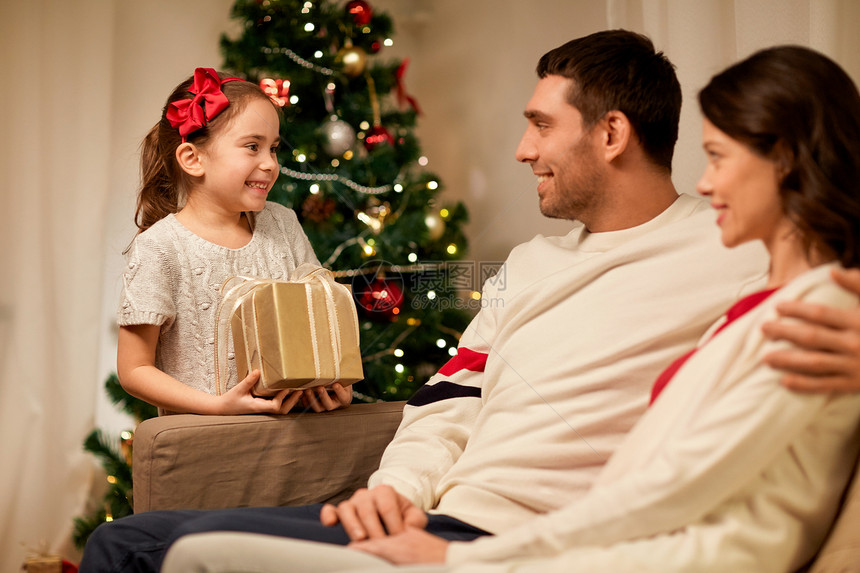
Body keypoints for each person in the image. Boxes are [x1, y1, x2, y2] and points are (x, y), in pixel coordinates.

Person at [80, 32, 860, 573]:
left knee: (151, 555)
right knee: (133, 540)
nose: (522, 149)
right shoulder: (530, 264)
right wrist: (394, 492)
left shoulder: (736, 244)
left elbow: (823, 270)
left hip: (515, 537)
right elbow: (446, 403)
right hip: (424, 514)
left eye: (539, 125)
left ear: (612, 132)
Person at [115, 67, 351, 416]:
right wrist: (218, 406)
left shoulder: (282, 224)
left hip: (294, 438)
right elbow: (134, 370)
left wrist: (333, 382)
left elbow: (316, 319)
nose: (270, 163)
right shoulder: (160, 248)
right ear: (193, 159)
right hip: (207, 446)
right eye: (252, 147)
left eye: (273, 149)